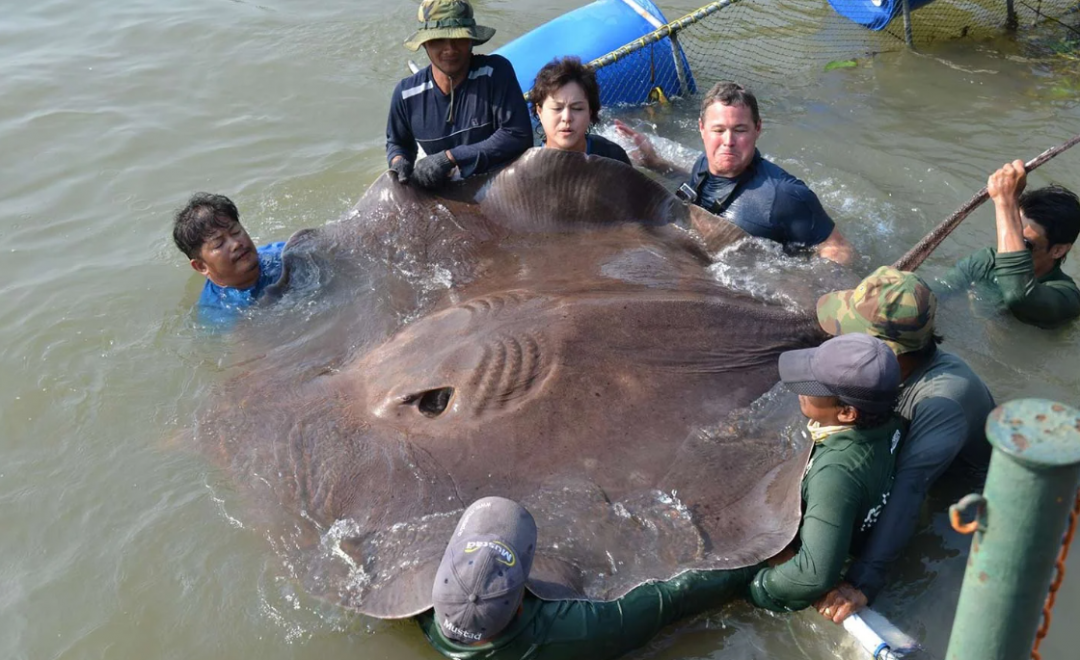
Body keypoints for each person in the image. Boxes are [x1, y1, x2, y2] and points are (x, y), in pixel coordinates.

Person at [812, 266, 996, 623]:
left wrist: (862, 581)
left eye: (851, 336)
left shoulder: (942, 401)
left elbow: (910, 489)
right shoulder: (887, 373)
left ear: (888, 351)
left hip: (963, 492)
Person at [416, 496, 756, 660]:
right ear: (519, 606)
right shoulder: (580, 628)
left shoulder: (418, 613)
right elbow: (672, 598)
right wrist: (754, 564)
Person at [747, 334, 904, 613]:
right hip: (848, 520)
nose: (801, 390)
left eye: (811, 387)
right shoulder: (892, 420)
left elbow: (814, 576)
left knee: (679, 590)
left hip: (804, 553)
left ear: (846, 413)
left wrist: (761, 587)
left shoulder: (835, 474)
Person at [614, 81, 853, 264]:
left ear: (757, 129)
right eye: (718, 130)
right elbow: (697, 189)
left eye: (740, 130)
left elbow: (839, 249)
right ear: (702, 129)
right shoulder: (704, 164)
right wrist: (654, 162)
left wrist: (801, 286)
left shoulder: (784, 195)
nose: (728, 141)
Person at [386, 0, 532, 189]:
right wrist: (399, 162)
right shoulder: (405, 94)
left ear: (472, 40)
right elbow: (398, 144)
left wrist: (451, 158)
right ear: (424, 44)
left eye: (459, 38)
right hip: (444, 186)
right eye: (438, 40)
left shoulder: (495, 72)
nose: (450, 49)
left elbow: (517, 135)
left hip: (498, 185)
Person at [935, 160, 1080, 328]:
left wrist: (1005, 203)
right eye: (1010, 231)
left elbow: (1020, 297)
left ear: (1058, 250)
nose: (1010, 245)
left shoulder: (1067, 297)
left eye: (1023, 242)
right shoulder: (986, 263)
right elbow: (935, 295)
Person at [172, 193, 284, 325]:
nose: (236, 244)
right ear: (201, 266)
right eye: (219, 244)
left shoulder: (283, 254)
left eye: (236, 232)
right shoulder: (218, 314)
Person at [527, 57, 631, 165]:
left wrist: (649, 161)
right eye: (557, 108)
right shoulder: (527, 169)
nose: (567, 118)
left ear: (590, 112)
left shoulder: (613, 157)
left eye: (577, 108)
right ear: (540, 112)